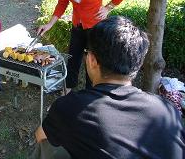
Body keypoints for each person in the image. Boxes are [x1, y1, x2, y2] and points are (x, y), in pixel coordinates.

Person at [32, 16, 185, 159]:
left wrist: (57, 114)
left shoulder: (70, 107)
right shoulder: (167, 109)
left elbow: (40, 136)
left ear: (91, 60)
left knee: (47, 147)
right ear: (137, 64)